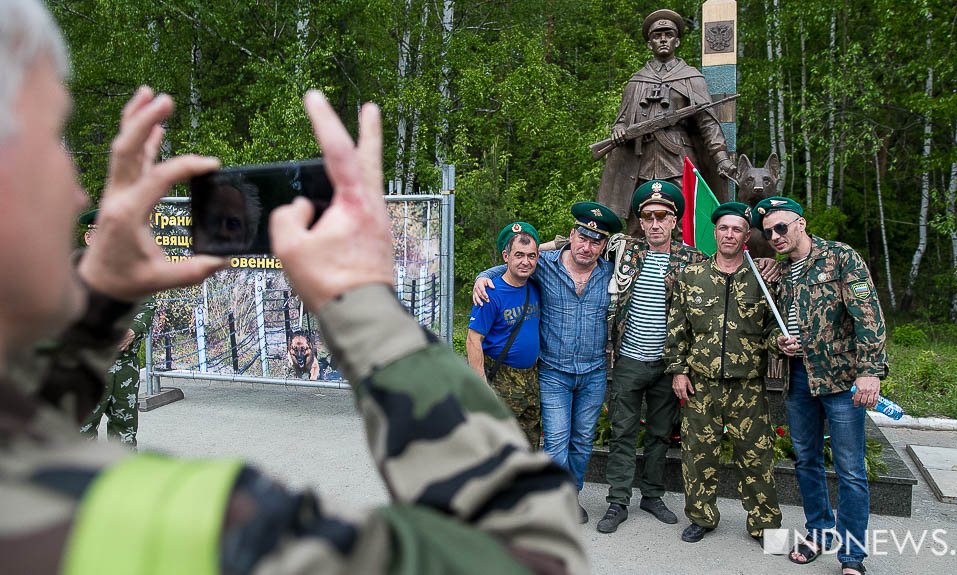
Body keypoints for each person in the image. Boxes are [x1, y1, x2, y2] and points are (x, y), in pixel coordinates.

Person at [0, 3, 586, 573]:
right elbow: (530, 550)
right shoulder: (173, 524)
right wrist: (362, 302)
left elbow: (24, 424)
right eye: (54, 139)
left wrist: (99, 301)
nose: (80, 194)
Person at [752, 196, 888, 575]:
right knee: (806, 460)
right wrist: (778, 343)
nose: (775, 236)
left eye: (782, 227)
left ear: (801, 223)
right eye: (768, 232)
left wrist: (870, 370)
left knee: (850, 470)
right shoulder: (780, 273)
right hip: (798, 377)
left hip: (842, 379)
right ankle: (819, 532)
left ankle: (853, 556)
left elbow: (869, 315)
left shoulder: (840, 258)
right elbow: (771, 327)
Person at [474, 202, 621, 523]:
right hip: (553, 372)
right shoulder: (546, 265)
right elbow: (512, 265)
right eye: (582, 236)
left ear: (604, 245)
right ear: (571, 235)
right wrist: (482, 276)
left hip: (594, 373)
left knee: (582, 441)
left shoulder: (610, 273)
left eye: (596, 240)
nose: (587, 245)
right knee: (556, 440)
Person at [664, 201, 783, 545]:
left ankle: (764, 524)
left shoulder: (761, 279)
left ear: (746, 236)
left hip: (746, 385)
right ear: (714, 233)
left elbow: (772, 330)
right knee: (698, 456)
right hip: (700, 382)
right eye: (723, 228)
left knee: (757, 457)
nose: (729, 234)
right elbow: (677, 328)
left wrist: (782, 343)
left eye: (737, 229)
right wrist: (677, 371)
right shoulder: (692, 276)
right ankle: (701, 516)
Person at [596, 180, 705, 534]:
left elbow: (729, 272)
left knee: (659, 433)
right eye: (648, 216)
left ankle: (653, 494)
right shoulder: (623, 251)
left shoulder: (693, 261)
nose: (655, 223)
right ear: (640, 222)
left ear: (675, 221)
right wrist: (489, 273)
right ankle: (617, 501)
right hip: (629, 359)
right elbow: (570, 246)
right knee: (623, 431)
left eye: (663, 216)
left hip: (668, 365)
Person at [597, 8, 736, 232]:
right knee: (638, 223)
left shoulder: (692, 78)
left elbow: (708, 123)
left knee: (684, 223)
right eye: (656, 35)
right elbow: (621, 120)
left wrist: (721, 159)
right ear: (649, 44)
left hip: (679, 162)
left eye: (668, 34)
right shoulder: (636, 82)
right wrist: (619, 129)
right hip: (641, 163)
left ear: (677, 41)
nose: (663, 39)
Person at [78, 208, 156, 447]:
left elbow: (147, 305)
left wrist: (132, 329)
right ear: (89, 238)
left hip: (125, 367)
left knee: (125, 432)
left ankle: (123, 481)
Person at [466, 221, 543, 448]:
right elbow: (473, 339)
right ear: (505, 256)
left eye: (531, 256)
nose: (525, 262)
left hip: (530, 379)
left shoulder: (535, 287)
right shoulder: (490, 292)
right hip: (500, 380)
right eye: (519, 255)